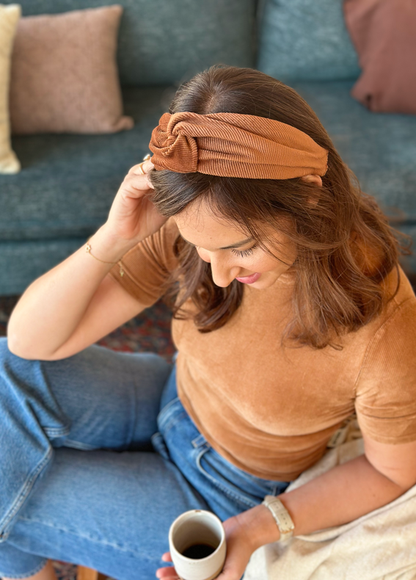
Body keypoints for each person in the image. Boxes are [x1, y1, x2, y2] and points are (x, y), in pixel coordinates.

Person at [1, 64, 416, 580]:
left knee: (8, 490)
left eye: (239, 248)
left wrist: (257, 528)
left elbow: (389, 471)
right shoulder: (203, 214)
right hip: (170, 397)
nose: (216, 275)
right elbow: (27, 342)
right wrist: (113, 237)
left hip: (221, 492)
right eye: (201, 248)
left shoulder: (386, 325)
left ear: (310, 191)